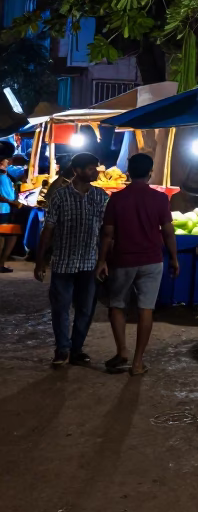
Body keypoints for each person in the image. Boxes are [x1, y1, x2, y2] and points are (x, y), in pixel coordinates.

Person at [95, 153, 178, 376]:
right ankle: (138, 362)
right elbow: (168, 232)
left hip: (123, 259)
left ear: (128, 173)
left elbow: (108, 234)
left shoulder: (116, 199)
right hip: (152, 260)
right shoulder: (160, 199)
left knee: (117, 305)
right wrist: (175, 258)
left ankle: (122, 351)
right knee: (145, 309)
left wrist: (102, 260)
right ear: (150, 172)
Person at [34, 152, 109, 367]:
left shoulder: (101, 197)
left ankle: (77, 349)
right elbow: (47, 230)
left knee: (85, 309)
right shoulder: (59, 196)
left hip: (89, 262)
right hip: (63, 262)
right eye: (90, 168)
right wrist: (40, 261)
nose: (95, 172)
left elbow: (106, 232)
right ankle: (62, 349)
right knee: (60, 308)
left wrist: (103, 260)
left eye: (95, 168)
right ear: (76, 170)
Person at [0, 143, 22, 273]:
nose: (8, 162)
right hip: (2, 210)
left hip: (7, 209)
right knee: (3, 236)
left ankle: (2, 262)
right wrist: (12, 202)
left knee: (11, 234)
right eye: (6, 160)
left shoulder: (6, 175)